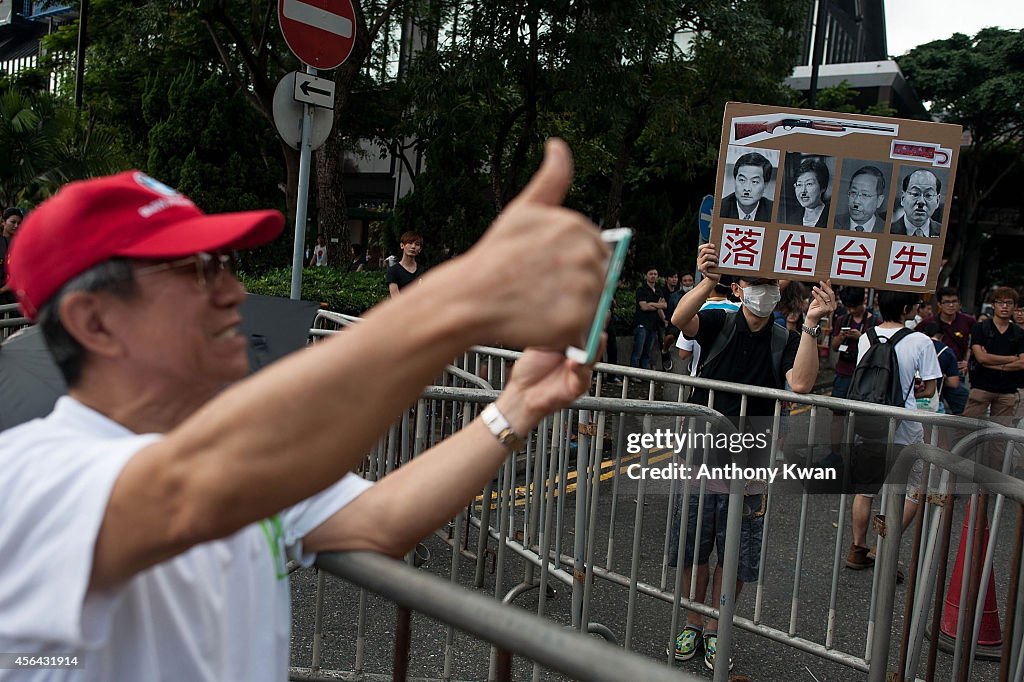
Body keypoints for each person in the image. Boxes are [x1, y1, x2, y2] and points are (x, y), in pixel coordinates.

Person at [0, 140, 610, 681]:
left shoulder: (244, 466)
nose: (234, 292)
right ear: (94, 321)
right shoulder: (31, 477)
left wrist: (518, 404)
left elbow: (382, 517)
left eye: (228, 265)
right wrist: (466, 294)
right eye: (197, 269)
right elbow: (189, 491)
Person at [667, 243, 834, 670]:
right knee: (694, 549)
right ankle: (692, 621)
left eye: (771, 285)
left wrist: (813, 324)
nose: (765, 292)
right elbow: (679, 320)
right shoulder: (719, 321)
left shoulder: (785, 339)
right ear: (739, 288)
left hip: (751, 468)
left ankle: (715, 629)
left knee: (735, 555)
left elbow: (800, 384)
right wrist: (707, 280)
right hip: (700, 460)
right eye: (756, 284)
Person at [846, 291, 941, 573]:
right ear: (905, 308)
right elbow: (930, 388)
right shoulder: (920, 340)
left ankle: (857, 548)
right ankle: (882, 548)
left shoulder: (866, 337)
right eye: (915, 305)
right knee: (913, 489)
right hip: (905, 425)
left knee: (865, 490)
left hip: (871, 422)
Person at [963, 288, 1024, 456]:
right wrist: (1011, 358)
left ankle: (990, 480)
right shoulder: (980, 328)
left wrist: (993, 361)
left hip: (1007, 392)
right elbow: (981, 358)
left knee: (1000, 440)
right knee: (965, 432)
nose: (1004, 306)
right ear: (993, 305)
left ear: (1014, 306)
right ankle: (957, 473)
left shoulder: (1019, 333)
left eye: (1009, 303)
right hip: (981, 388)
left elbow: (1022, 363)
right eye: (1000, 302)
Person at [823, 287, 877, 466]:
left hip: (864, 375)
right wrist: (841, 336)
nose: (852, 311)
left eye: (855, 306)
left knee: (861, 417)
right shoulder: (842, 319)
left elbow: (877, 350)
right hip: (843, 372)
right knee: (838, 414)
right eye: (848, 307)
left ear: (863, 302)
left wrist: (860, 337)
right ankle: (835, 453)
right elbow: (834, 347)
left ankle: (856, 453)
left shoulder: (874, 322)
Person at [920, 286, 974, 414]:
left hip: (955, 373)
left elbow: (976, 344)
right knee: (928, 411)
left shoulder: (968, 321)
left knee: (964, 410)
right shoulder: (928, 322)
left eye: (954, 301)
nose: (951, 305)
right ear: (939, 304)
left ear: (959, 303)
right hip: (930, 376)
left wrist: (968, 361)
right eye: (946, 302)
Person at [675, 275, 739, 376]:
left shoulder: (695, 312)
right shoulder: (741, 311)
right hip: (734, 380)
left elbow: (683, 353)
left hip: (703, 378)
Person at [719, 152, 774, 222]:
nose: (747, 188)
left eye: (754, 182)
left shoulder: (773, 211)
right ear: (735, 180)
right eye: (742, 180)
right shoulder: (720, 208)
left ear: (765, 184)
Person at [631, 266, 666, 369]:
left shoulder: (659, 291)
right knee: (638, 351)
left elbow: (664, 306)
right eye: (651, 274)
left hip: (653, 326)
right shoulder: (641, 290)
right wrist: (657, 305)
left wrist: (651, 304)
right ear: (646, 276)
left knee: (647, 353)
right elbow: (644, 307)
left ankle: (643, 374)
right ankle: (633, 373)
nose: (653, 276)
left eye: (655, 274)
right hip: (642, 324)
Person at [833, 165, 887, 233]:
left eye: (865, 195)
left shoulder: (887, 230)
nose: (856, 201)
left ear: (879, 201)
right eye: (853, 192)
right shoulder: (833, 223)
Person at [890, 169, 942, 238]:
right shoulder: (888, 229)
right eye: (915, 194)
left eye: (928, 195)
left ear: (937, 201)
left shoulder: (943, 232)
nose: (921, 202)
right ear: (903, 198)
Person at [785, 157, 830, 228]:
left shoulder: (831, 218)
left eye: (809, 184)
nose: (803, 191)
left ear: (823, 187)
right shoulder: (792, 220)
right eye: (799, 184)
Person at [386, 231, 426, 296]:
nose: (413, 246)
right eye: (410, 243)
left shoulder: (423, 271)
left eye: (417, 244)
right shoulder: (393, 271)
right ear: (402, 245)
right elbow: (395, 298)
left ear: (420, 249)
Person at [0, 206, 24, 304]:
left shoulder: (23, 245)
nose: (16, 226)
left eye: (19, 223)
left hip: (17, 300)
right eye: (13, 222)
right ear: (3, 222)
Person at [660, 268, 683, 371]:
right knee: (668, 338)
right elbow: (663, 306)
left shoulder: (680, 293)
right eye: (672, 277)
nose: (674, 279)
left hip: (683, 323)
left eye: (676, 277)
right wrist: (665, 320)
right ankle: (665, 354)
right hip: (668, 322)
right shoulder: (663, 292)